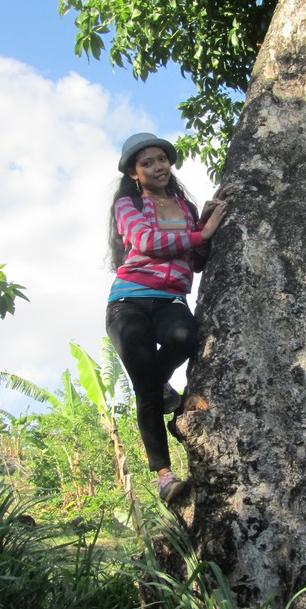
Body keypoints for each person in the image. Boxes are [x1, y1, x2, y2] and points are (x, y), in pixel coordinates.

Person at [106, 132, 227, 504]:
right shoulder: (128, 204)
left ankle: (157, 383)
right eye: (147, 163)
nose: (158, 167)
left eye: (162, 159)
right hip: (128, 301)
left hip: (170, 298)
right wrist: (199, 234)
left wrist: (202, 225)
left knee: (183, 338)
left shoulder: (185, 207)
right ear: (134, 173)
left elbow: (198, 259)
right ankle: (164, 476)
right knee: (146, 389)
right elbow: (146, 241)